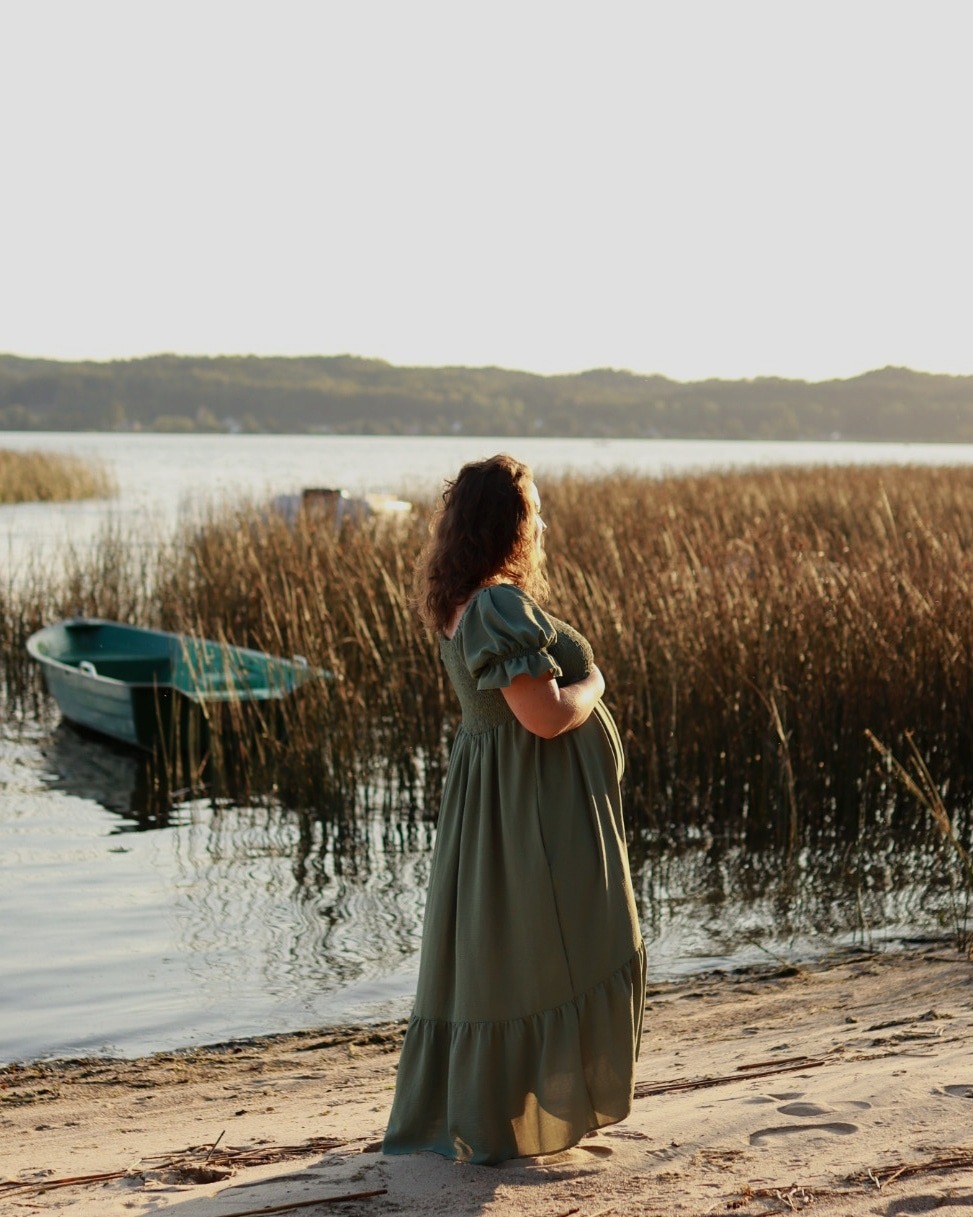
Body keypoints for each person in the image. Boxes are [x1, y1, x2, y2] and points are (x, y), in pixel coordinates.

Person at [383, 453, 645, 1166]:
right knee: (542, 943)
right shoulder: (496, 604)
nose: (543, 520)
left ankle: (500, 1102)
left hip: (500, 796)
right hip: (525, 805)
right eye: (534, 508)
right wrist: (592, 680)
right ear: (512, 522)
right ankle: (507, 1112)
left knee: (504, 950)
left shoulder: (464, 599)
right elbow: (544, 715)